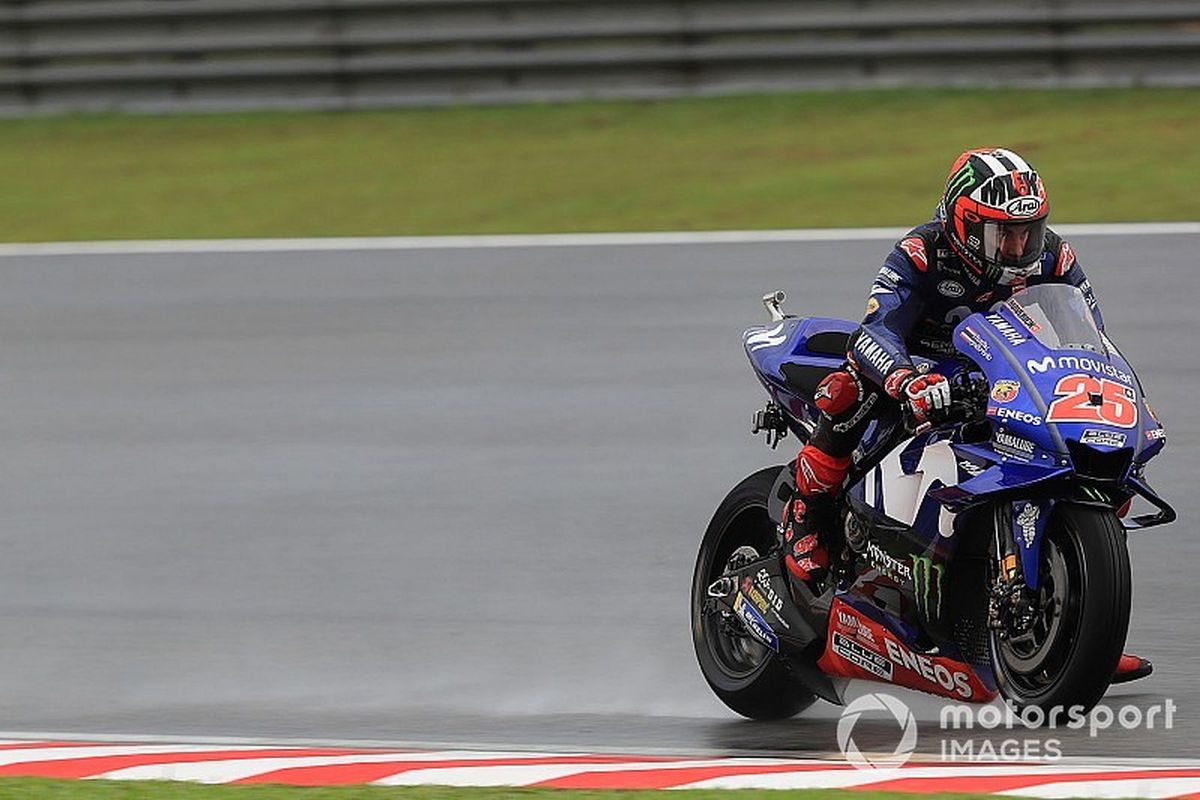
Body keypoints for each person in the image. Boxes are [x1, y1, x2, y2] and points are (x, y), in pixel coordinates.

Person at [782, 147, 1151, 684]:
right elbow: (876, 328)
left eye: (1030, 230)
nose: (1020, 246)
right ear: (964, 224)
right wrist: (905, 378)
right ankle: (805, 513)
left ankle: (1083, 624)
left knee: (1100, 450)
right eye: (1005, 234)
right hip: (920, 371)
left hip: (1009, 377)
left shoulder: (1055, 259)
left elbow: (1087, 338)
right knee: (846, 386)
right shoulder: (921, 251)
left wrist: (1119, 391)